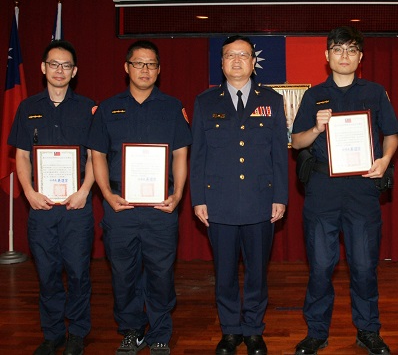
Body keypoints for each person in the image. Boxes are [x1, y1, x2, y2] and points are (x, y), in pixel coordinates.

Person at [290, 26, 398, 355]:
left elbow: (392, 134)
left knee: (364, 266)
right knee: (321, 267)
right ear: (327, 56)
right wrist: (316, 127)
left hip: (363, 189)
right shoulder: (313, 96)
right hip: (323, 189)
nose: (344, 56)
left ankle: (368, 330)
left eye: (352, 50)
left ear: (360, 57)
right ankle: (317, 332)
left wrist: (385, 159)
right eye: (338, 50)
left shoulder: (376, 92)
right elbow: (297, 142)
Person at [87, 40, 191, 355]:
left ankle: (159, 332)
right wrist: (106, 194)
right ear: (126, 68)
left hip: (161, 206)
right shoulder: (107, 108)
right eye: (138, 63)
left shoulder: (173, 107)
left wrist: (177, 195)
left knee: (161, 272)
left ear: (159, 70)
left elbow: (180, 155)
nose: (144, 70)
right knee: (123, 273)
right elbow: (97, 155)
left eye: (151, 64)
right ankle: (132, 330)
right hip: (120, 205)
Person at [190, 35, 288, 355]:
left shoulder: (271, 100)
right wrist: (198, 198)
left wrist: (281, 196)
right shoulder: (206, 102)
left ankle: (254, 330)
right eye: (229, 55)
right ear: (221, 63)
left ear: (252, 62)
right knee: (226, 273)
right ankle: (231, 330)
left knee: (258, 272)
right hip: (220, 202)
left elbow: (278, 154)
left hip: (261, 200)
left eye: (243, 55)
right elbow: (198, 155)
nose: (236, 61)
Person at [8, 40, 95, 355]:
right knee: (46, 274)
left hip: (77, 209)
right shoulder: (27, 107)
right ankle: (54, 333)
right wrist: (29, 192)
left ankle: (77, 333)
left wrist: (85, 191)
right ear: (43, 67)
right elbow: (21, 157)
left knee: (78, 272)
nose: (60, 70)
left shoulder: (89, 108)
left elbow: (95, 158)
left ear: (74, 72)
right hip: (41, 208)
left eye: (66, 65)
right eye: (54, 64)